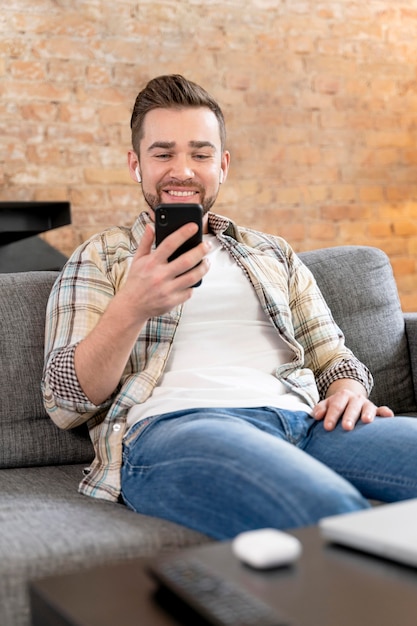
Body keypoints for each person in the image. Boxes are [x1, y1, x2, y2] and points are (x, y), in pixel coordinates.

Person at [42, 74, 417, 540]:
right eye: (163, 154)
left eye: (200, 154)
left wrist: (347, 392)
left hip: (307, 423)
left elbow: (333, 357)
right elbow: (65, 402)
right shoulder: (101, 257)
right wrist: (132, 306)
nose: (183, 170)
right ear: (136, 164)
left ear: (222, 165)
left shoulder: (271, 253)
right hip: (178, 427)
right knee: (334, 514)